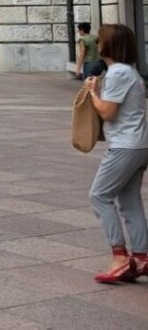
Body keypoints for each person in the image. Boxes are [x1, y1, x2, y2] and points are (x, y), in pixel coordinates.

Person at [84, 24, 148, 284]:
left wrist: (91, 93)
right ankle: (142, 258)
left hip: (124, 145)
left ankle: (120, 257)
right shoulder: (128, 72)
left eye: (101, 40)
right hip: (139, 144)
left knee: (99, 195)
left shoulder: (118, 72)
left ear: (109, 44)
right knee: (130, 201)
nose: (97, 43)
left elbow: (108, 112)